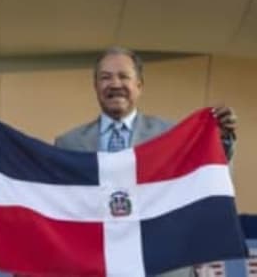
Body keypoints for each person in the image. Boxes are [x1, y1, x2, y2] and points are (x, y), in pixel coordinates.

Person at [55, 47, 237, 277]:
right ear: (95, 87)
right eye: (106, 77)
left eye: (123, 76)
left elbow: (207, 184)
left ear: (139, 86)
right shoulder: (68, 143)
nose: (115, 84)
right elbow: (61, 208)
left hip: (162, 268)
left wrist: (219, 143)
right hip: (96, 269)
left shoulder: (172, 136)